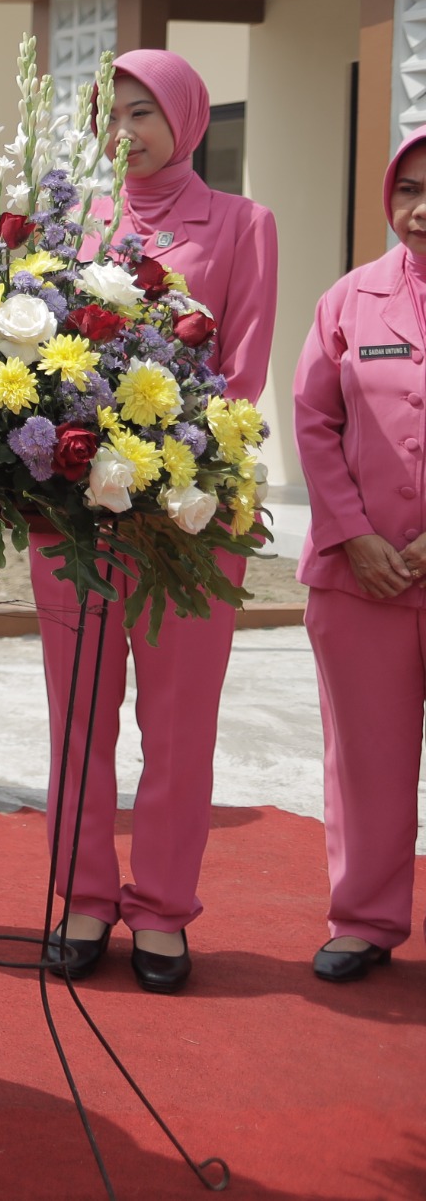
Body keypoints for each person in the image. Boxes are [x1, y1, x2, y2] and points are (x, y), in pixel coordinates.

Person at [33, 49, 277, 994]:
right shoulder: (75, 220)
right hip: (75, 515)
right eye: (111, 112)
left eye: (144, 111)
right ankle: (85, 897)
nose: (125, 130)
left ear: (186, 117)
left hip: (187, 514)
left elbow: (244, 370)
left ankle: (165, 909)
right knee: (78, 720)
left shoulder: (242, 223)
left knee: (179, 727)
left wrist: (185, 463)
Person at [295, 128, 426, 984]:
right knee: (368, 759)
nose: (421, 210)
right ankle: (365, 918)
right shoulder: (350, 299)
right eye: (409, 189)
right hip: (361, 576)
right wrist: (355, 533)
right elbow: (314, 422)